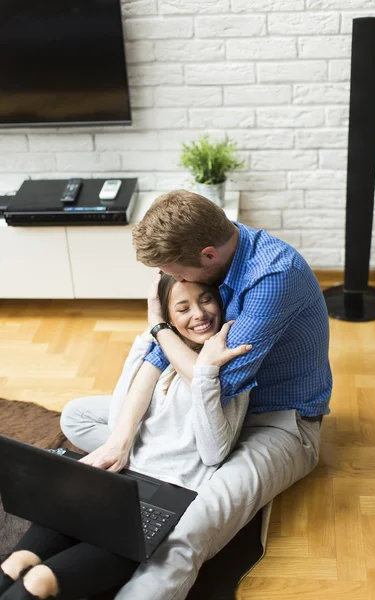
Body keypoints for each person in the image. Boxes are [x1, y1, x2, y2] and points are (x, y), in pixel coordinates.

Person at [62, 189, 332, 600]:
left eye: (174, 270)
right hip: (201, 406)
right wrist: (119, 440)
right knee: (78, 417)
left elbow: (217, 381)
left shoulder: (274, 276)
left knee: (181, 536)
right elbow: (161, 358)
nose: (175, 281)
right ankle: (167, 464)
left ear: (208, 255)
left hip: (273, 422)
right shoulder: (216, 262)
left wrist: (158, 327)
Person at [0, 276, 251, 600]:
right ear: (169, 319)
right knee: (15, 563)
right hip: (117, 483)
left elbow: (213, 451)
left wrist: (204, 374)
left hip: (167, 497)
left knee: (39, 581)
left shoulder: (227, 368)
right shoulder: (160, 354)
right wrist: (153, 330)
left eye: (205, 300)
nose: (199, 314)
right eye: (183, 308)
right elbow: (120, 413)